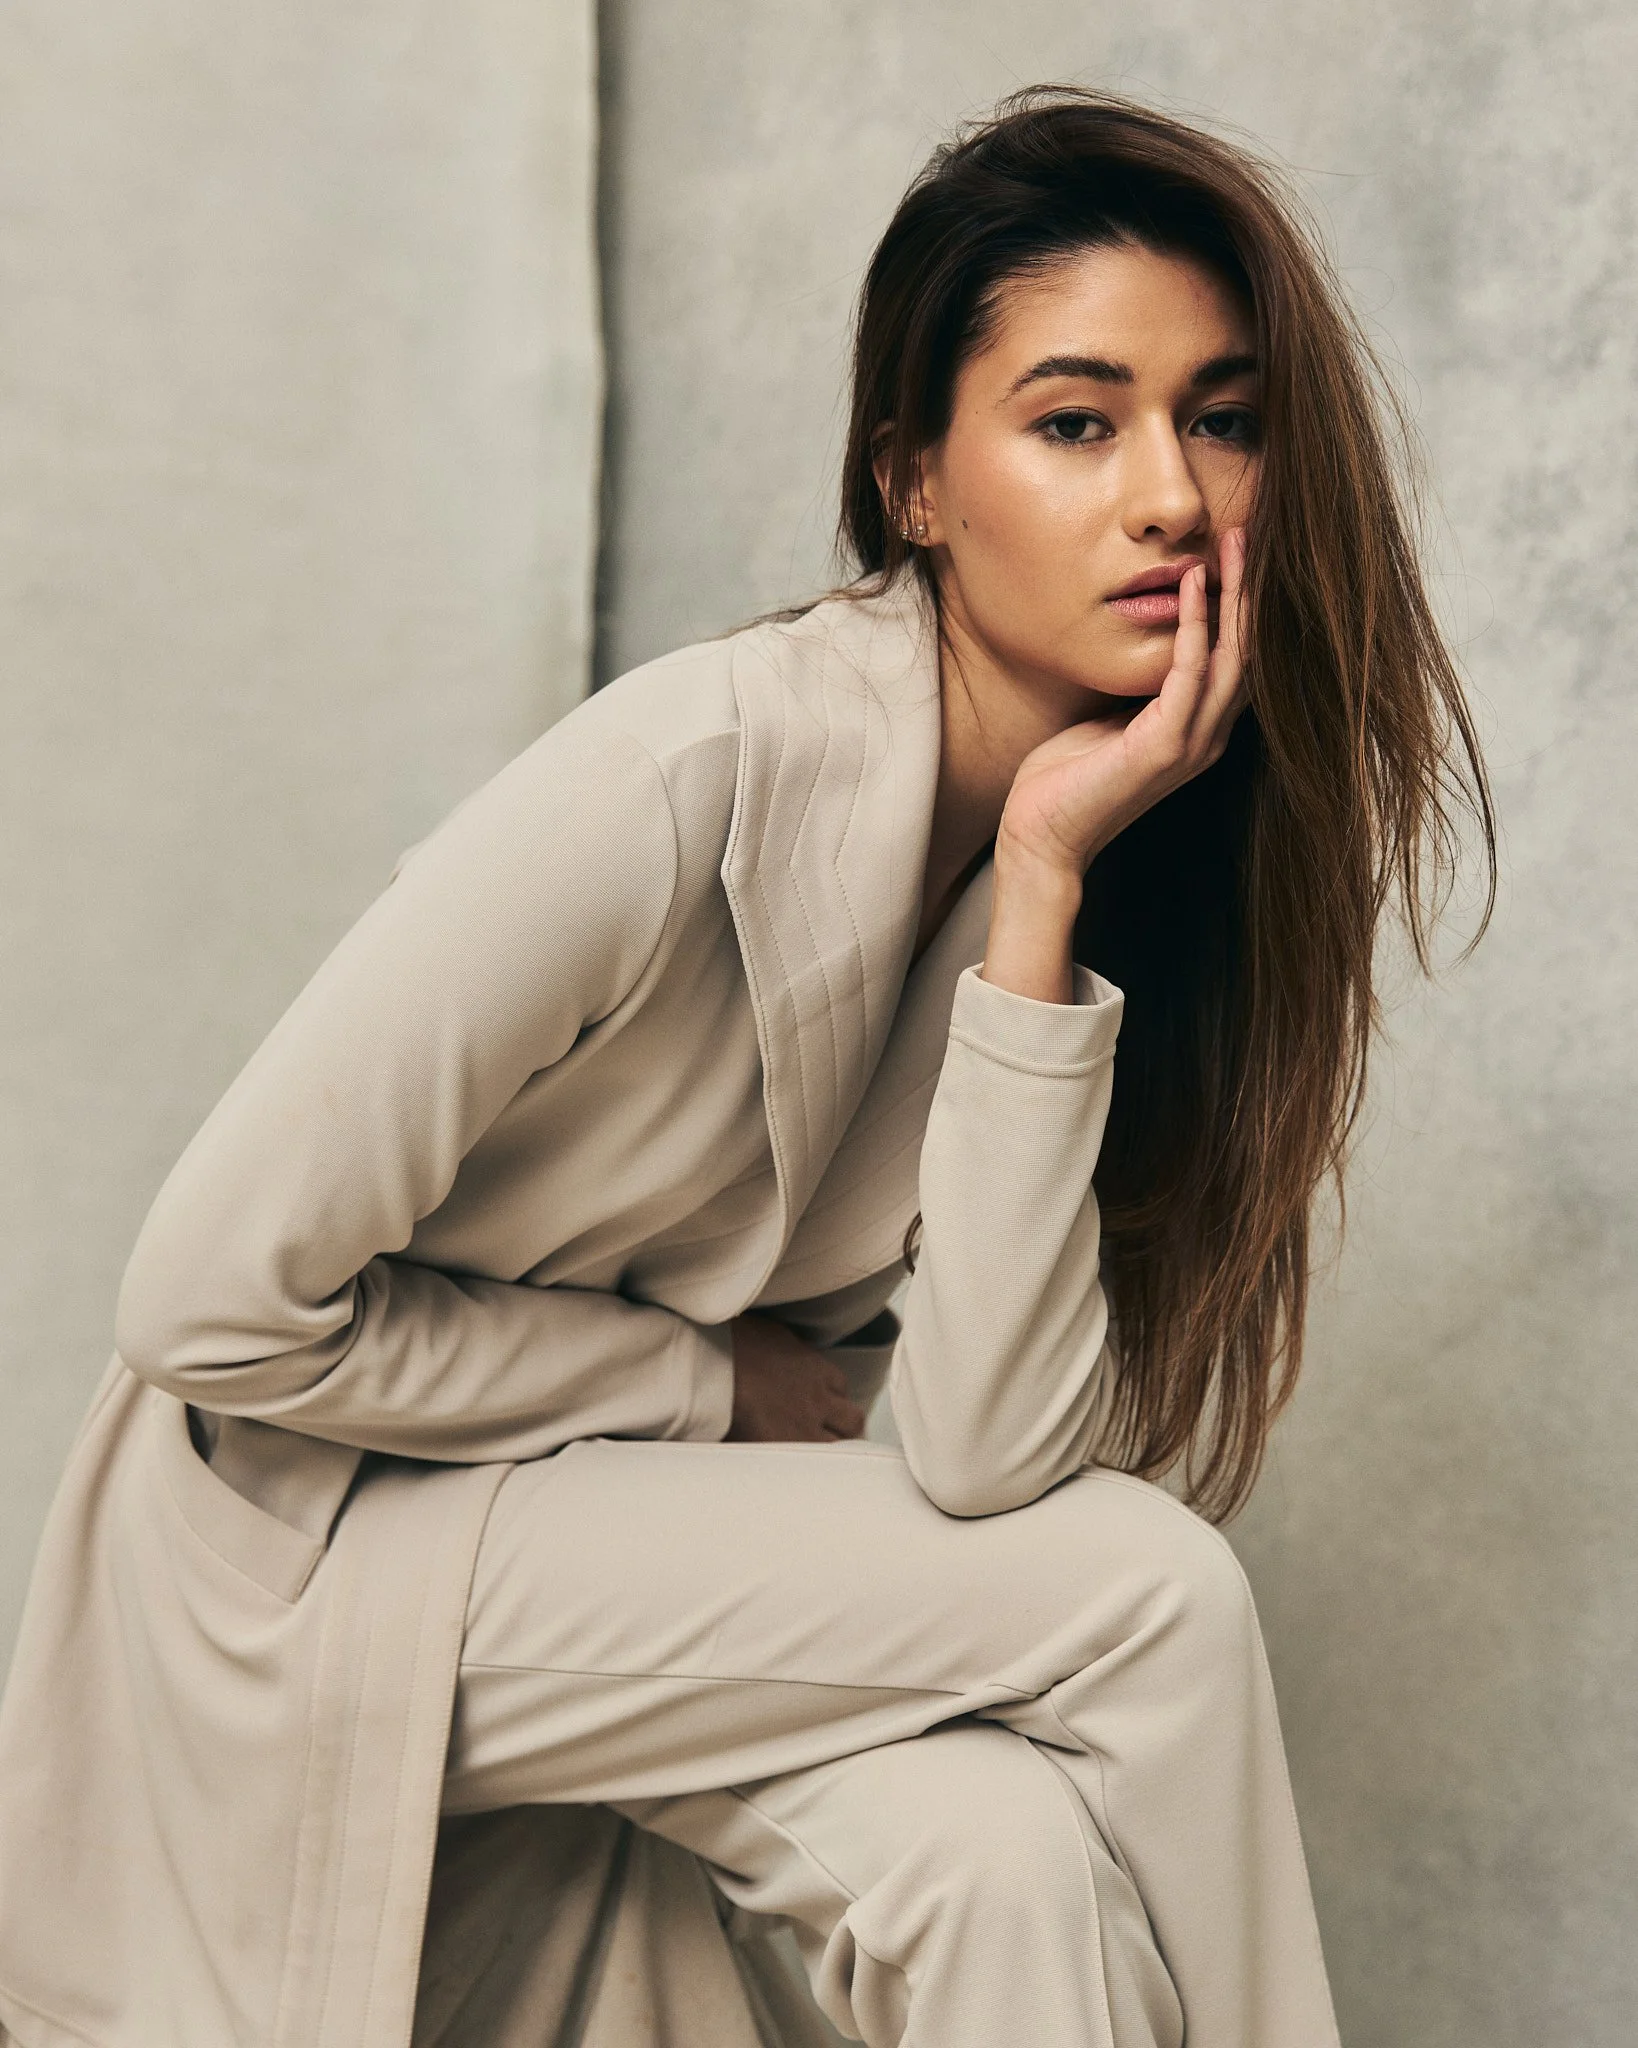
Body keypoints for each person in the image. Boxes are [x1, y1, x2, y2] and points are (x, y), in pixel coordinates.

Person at [0, 86, 1493, 2048]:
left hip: (618, 1545)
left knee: (1004, 1864)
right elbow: (201, 1301)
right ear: (917, 486)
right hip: (313, 1537)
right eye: (1074, 420)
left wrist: (1043, 885)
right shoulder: (679, 776)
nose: (1171, 495)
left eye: (1223, 416)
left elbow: (975, 1457)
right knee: (1150, 1590)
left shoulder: (1098, 848)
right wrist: (692, 1376)